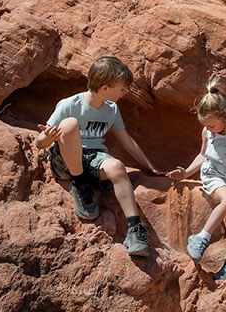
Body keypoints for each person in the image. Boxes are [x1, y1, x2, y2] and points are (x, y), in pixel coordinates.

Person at [35, 56, 161, 256]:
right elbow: (40, 142)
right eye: (122, 89)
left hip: (93, 159)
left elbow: (127, 140)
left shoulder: (111, 110)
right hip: (66, 161)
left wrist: (150, 167)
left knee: (117, 167)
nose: (125, 92)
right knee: (69, 124)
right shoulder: (70, 104)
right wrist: (48, 138)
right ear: (105, 88)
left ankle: (135, 230)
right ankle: (80, 185)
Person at [168, 77, 226, 280]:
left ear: (225, 116)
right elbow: (202, 155)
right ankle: (201, 238)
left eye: (212, 125)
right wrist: (186, 173)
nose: (208, 129)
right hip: (214, 174)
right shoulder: (207, 133)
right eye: (206, 125)